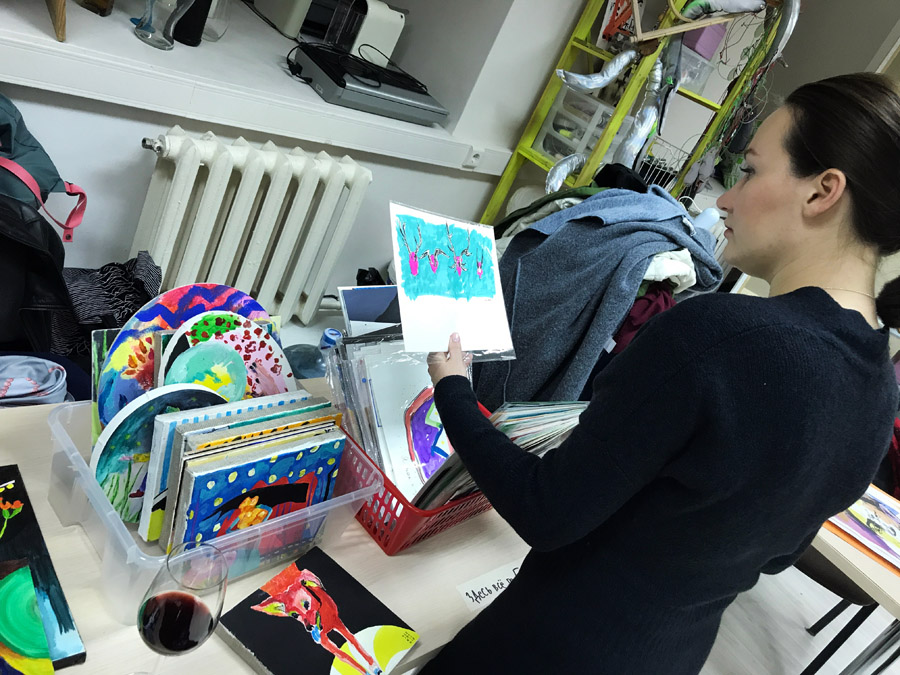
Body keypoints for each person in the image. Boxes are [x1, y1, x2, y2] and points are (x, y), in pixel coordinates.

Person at [420, 72, 900, 674]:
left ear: (823, 190)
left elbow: (546, 510)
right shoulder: (879, 391)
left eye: (750, 171)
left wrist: (453, 388)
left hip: (547, 649)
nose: (724, 200)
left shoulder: (720, 335)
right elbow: (777, 554)